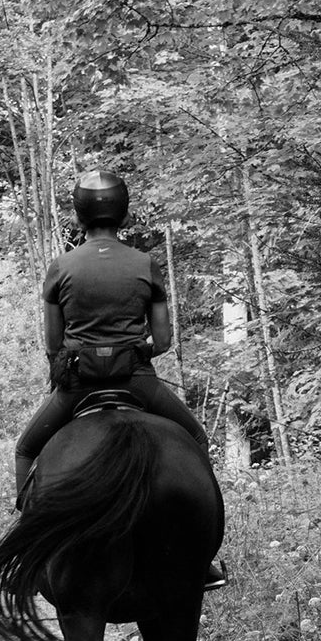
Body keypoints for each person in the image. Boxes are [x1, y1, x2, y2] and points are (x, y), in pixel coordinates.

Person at [14, 169, 227, 589]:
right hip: (136, 381)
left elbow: (53, 343)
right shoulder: (144, 264)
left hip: (78, 386)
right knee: (196, 440)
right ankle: (203, 559)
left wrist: (79, 358)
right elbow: (163, 340)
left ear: (79, 216)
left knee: (26, 448)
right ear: (123, 214)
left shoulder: (61, 267)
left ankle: (31, 552)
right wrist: (132, 353)